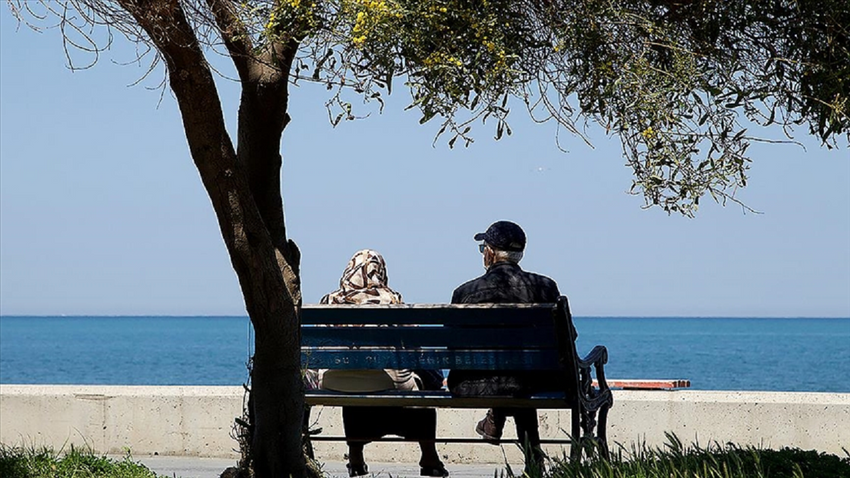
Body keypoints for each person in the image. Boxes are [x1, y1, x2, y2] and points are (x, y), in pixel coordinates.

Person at [314, 249, 449, 478]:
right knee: (418, 386)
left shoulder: (329, 301)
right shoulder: (390, 299)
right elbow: (414, 348)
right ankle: (429, 457)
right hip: (387, 383)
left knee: (353, 380)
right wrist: (435, 379)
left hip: (335, 383)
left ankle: (356, 458)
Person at [446, 221, 560, 470]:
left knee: (512, 375)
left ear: (489, 252)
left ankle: (496, 421)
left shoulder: (465, 292)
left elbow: (452, 347)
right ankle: (532, 459)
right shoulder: (546, 287)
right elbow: (566, 337)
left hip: (471, 385)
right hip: (534, 383)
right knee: (519, 377)